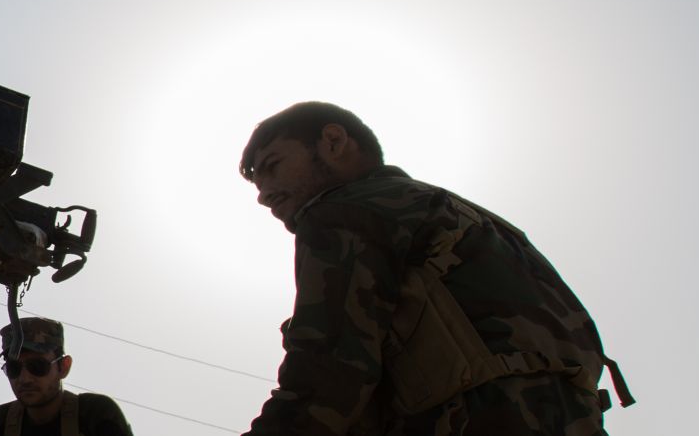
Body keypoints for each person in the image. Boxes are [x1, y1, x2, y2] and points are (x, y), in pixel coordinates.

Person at [239, 101, 633, 435]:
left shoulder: (345, 212)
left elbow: (328, 375)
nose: (263, 194)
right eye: (256, 184)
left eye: (272, 166)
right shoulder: (458, 213)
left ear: (333, 141)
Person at [0, 318, 133, 436]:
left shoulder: (95, 414)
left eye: (37, 367)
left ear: (63, 367)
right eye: (14, 369)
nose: (25, 378)